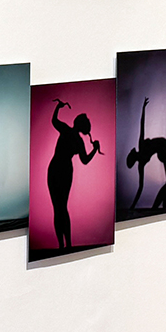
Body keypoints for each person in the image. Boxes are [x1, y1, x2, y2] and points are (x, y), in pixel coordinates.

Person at [46, 98, 102, 249]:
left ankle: (63, 245)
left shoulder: (66, 130)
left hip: (56, 168)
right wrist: (95, 149)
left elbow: (54, 121)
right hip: (63, 169)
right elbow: (85, 160)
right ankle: (67, 244)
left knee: (58, 208)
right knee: (62, 207)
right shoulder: (78, 141)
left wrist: (58, 107)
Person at [125, 97, 166, 211]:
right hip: (164, 151)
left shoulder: (141, 161)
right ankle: (158, 206)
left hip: (164, 151)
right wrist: (132, 206)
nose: (132, 150)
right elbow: (142, 125)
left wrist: (143, 108)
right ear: (133, 156)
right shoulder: (141, 150)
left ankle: (160, 205)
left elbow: (140, 187)